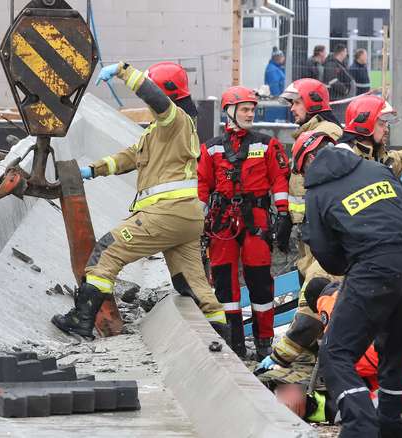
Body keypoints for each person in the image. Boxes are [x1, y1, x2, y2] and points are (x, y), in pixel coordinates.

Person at [51, 61, 227, 340]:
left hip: (166, 213)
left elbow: (155, 97)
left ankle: (81, 320)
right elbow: (130, 156)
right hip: (184, 218)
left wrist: (123, 71)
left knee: (106, 253)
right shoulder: (159, 132)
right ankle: (220, 340)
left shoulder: (175, 120)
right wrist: (92, 170)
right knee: (192, 283)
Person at [292, 130, 402, 437]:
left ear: (309, 161)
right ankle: (395, 430)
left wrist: (353, 259)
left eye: (301, 171)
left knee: (336, 354)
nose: (303, 177)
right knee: (394, 357)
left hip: (373, 268)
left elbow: (325, 254)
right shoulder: (376, 169)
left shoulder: (318, 193)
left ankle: (361, 428)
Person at [274, 279, 402, 424]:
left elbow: (339, 354)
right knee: (365, 399)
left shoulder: (333, 307)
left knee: (385, 413)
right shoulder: (366, 292)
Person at [256, 79, 343, 379]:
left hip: (323, 236)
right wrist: (286, 221)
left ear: (313, 102)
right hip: (309, 235)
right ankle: (305, 362)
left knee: (313, 296)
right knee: (313, 293)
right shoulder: (311, 135)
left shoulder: (324, 137)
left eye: (296, 103)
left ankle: (301, 364)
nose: (292, 109)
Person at [198, 85, 291, 359]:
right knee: (225, 285)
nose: (251, 114)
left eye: (252, 109)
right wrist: (198, 224)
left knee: (261, 282)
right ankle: (234, 341)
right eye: (246, 109)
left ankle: (264, 341)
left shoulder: (266, 144)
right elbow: (203, 187)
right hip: (222, 223)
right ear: (230, 112)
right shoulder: (212, 149)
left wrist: (283, 214)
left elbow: (279, 180)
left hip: (257, 221)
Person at [321, 44, 352, 119]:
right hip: (334, 97)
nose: (346, 54)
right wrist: (345, 90)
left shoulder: (339, 64)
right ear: (342, 52)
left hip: (339, 97)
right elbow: (332, 81)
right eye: (345, 52)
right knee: (336, 118)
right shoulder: (331, 64)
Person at [264, 47, 287, 122]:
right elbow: (274, 86)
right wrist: (279, 98)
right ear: (278, 58)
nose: (284, 58)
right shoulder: (273, 69)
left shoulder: (277, 68)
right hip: (276, 100)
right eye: (282, 57)